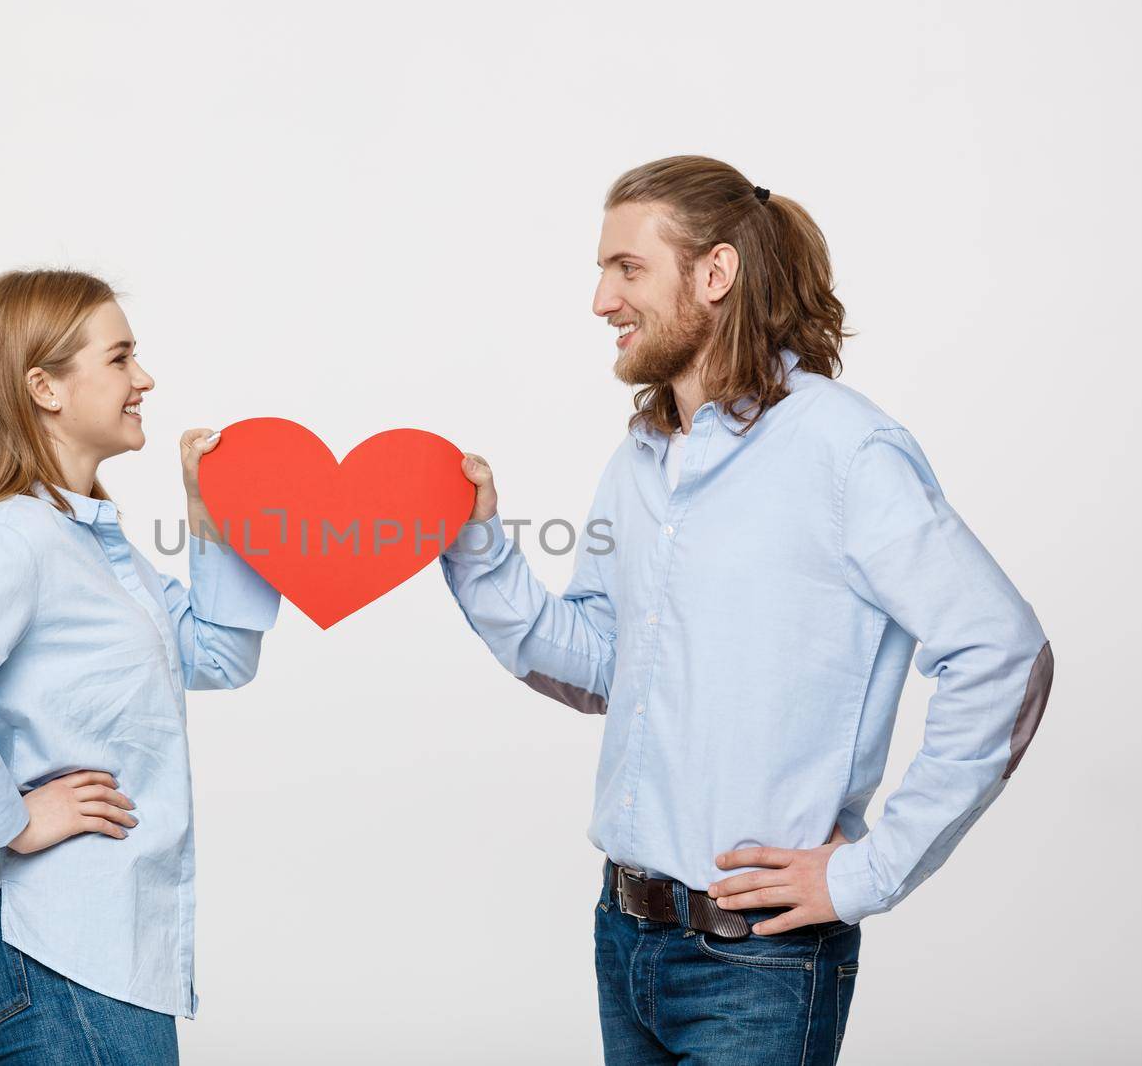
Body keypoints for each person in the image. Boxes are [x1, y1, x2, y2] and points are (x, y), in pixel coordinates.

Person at [441, 156, 1053, 1064]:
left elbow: (1006, 650)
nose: (601, 301)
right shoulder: (642, 457)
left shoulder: (844, 448)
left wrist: (870, 871)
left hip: (758, 963)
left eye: (626, 268)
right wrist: (476, 545)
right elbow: (603, 667)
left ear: (715, 274)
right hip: (625, 936)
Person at [0, 269, 279, 1065]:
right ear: (44, 388)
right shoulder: (16, 537)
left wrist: (208, 509)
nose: (145, 379)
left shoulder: (97, 547)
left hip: (105, 956)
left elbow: (219, 654)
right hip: (61, 952)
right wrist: (11, 819)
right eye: (121, 358)